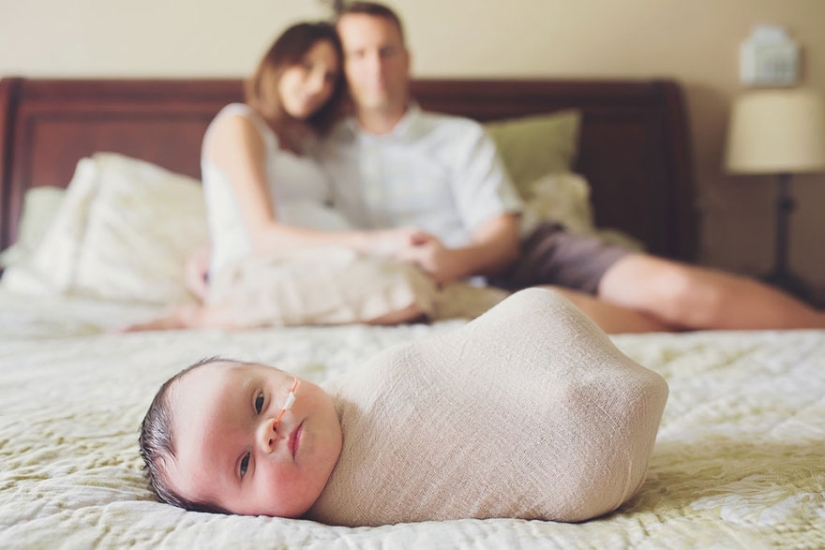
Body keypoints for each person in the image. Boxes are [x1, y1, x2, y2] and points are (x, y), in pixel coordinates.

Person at [317, 1, 825, 333]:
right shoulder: (318, 153)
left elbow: (503, 240)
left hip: (527, 255)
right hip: (446, 297)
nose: (375, 67)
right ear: (342, 67)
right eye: (358, 54)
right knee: (586, 321)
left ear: (406, 58)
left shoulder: (458, 136)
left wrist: (455, 260)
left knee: (678, 292)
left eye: (386, 51)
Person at [139, 288, 669, 524]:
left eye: (258, 399)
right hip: (585, 462)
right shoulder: (338, 510)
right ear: (241, 518)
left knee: (534, 307)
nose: (270, 430)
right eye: (245, 463)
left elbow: (440, 369)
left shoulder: (346, 390)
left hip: (536, 342)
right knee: (570, 446)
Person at [125, 21, 438, 331]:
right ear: (278, 63)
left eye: (329, 77)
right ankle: (203, 318)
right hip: (257, 272)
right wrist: (375, 242)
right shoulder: (240, 125)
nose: (318, 86)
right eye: (306, 66)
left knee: (422, 282)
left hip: (310, 266)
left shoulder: (307, 140)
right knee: (401, 290)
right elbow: (262, 234)